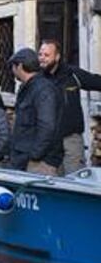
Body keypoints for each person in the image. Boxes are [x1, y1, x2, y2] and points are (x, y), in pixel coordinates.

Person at [38, 39, 101, 174]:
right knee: (51, 183)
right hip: (48, 142)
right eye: (40, 54)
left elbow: (97, 82)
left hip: (70, 138)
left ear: (57, 57)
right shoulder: (37, 79)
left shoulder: (72, 74)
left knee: (76, 179)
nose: (42, 58)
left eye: (46, 55)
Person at [8, 48, 63, 175]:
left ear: (20, 66)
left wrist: (35, 155)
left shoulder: (43, 89)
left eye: (13, 67)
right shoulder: (27, 87)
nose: (12, 71)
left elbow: (47, 126)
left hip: (39, 162)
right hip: (23, 159)